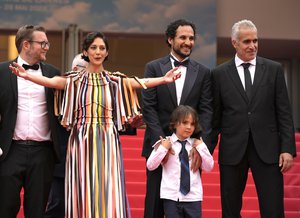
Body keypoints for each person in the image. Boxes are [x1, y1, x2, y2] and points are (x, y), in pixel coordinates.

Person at [10, 31, 181, 218]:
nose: (98, 52)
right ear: (85, 51)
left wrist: (164, 79)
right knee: (81, 189)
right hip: (80, 140)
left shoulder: (114, 80)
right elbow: (51, 82)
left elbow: (140, 82)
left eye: (102, 48)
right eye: (93, 48)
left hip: (107, 139)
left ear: (107, 53)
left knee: (107, 190)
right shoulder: (74, 80)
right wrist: (27, 76)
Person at [210, 19, 297, 218]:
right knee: (230, 210)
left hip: (268, 150)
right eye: (247, 41)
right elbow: (214, 118)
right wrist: (205, 150)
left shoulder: (274, 69)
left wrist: (287, 149)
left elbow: (284, 112)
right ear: (234, 43)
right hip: (233, 151)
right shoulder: (219, 74)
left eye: (255, 41)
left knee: (273, 208)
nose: (253, 46)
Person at [141, 19, 213, 218]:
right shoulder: (154, 68)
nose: (188, 42)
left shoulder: (204, 73)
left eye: (191, 38)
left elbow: (206, 111)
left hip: (189, 150)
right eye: (183, 37)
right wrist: (161, 144)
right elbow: (149, 108)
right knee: (154, 207)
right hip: (159, 148)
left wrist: (200, 146)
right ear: (170, 39)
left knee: (188, 209)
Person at [0, 25, 63, 218]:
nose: (46, 47)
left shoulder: (53, 73)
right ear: (26, 44)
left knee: (36, 211)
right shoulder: (2, 71)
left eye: (47, 43)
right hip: (10, 152)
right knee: (4, 208)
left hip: (42, 154)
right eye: (42, 43)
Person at [147, 105, 214, 218]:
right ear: (175, 123)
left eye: (192, 124)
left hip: (193, 198)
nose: (189, 127)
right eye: (185, 122)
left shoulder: (197, 145)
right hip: (171, 198)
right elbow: (150, 165)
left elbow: (209, 167)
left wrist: (202, 148)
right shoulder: (165, 143)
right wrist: (163, 148)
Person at [44, 53, 88, 218]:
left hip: (90, 161)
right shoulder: (59, 91)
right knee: (58, 205)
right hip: (63, 160)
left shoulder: (98, 90)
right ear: (75, 69)